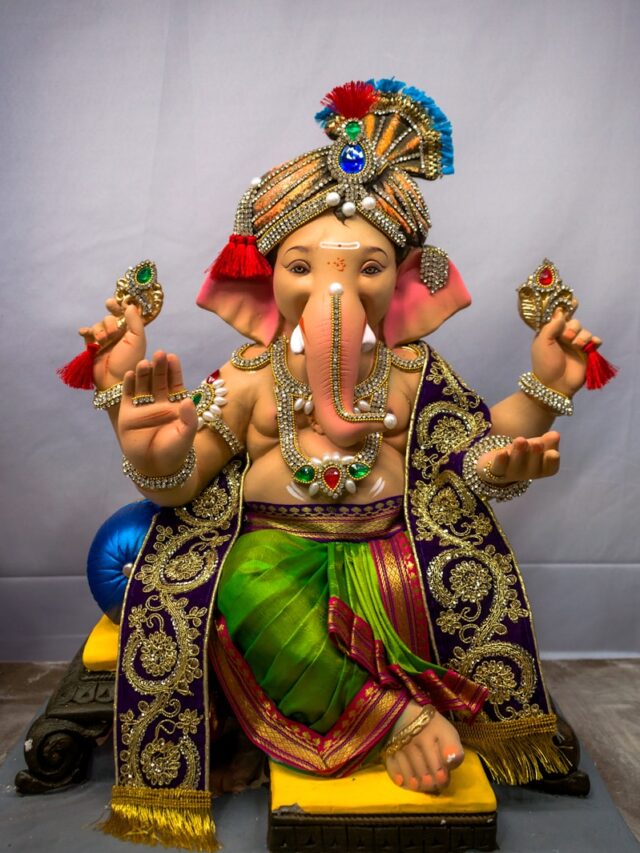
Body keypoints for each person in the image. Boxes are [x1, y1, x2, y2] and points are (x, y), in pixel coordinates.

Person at [76, 79, 602, 850]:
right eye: (303, 265)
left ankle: (391, 702)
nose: (336, 288)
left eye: (368, 267)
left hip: (388, 550)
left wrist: (544, 398)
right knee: (246, 584)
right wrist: (149, 455)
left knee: (433, 583)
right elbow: (183, 480)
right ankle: (397, 717)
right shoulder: (253, 372)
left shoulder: (410, 370)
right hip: (273, 550)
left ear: (406, 280)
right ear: (262, 279)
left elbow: (477, 450)